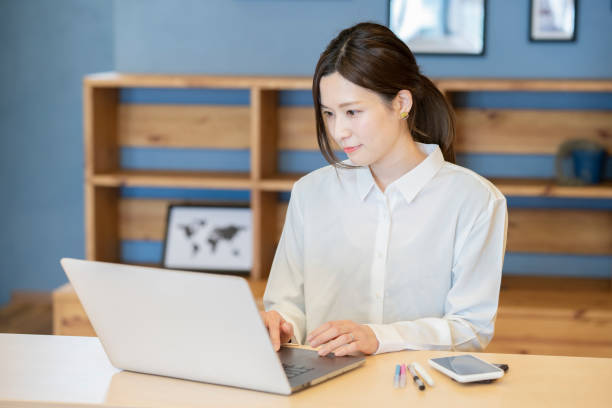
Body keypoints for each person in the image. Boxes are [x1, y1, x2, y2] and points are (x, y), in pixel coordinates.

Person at [260, 22, 507, 357]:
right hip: (324, 387)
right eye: (329, 114)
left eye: (352, 112)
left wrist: (379, 338)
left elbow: (470, 328)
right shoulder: (310, 193)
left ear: (401, 103)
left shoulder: (476, 201)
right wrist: (282, 325)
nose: (339, 131)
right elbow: (288, 306)